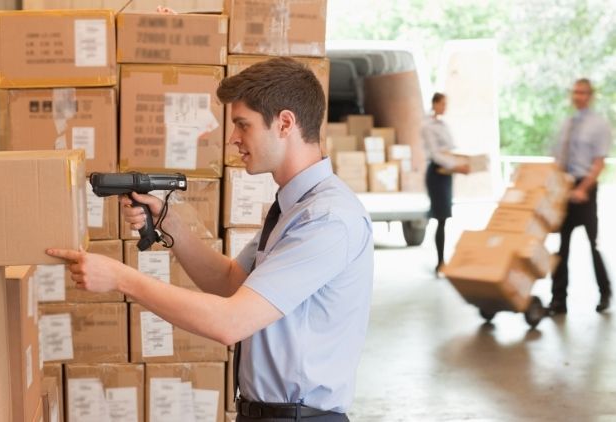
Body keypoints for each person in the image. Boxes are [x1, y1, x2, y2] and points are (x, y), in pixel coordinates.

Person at [47, 57, 374, 421]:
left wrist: (121, 278)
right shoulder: (292, 207)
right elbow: (231, 281)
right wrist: (172, 225)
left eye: (242, 125)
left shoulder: (327, 219)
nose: (233, 138)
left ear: (284, 123)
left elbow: (230, 321)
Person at [549, 78, 612, 315]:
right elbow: (558, 158)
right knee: (561, 247)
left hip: (584, 190)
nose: (578, 96)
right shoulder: (567, 123)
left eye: (583, 93)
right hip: (565, 189)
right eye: (575, 92)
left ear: (591, 95)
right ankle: (558, 299)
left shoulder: (598, 124)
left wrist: (583, 189)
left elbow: (598, 163)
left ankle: (605, 293)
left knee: (592, 245)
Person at [421, 93, 470, 276]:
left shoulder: (443, 124)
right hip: (437, 172)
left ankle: (442, 261)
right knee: (441, 217)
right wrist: (456, 166)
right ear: (434, 103)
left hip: (446, 172)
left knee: (444, 218)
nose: (444, 107)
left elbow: (450, 148)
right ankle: (440, 262)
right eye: (442, 103)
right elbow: (436, 154)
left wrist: (458, 164)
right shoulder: (427, 126)